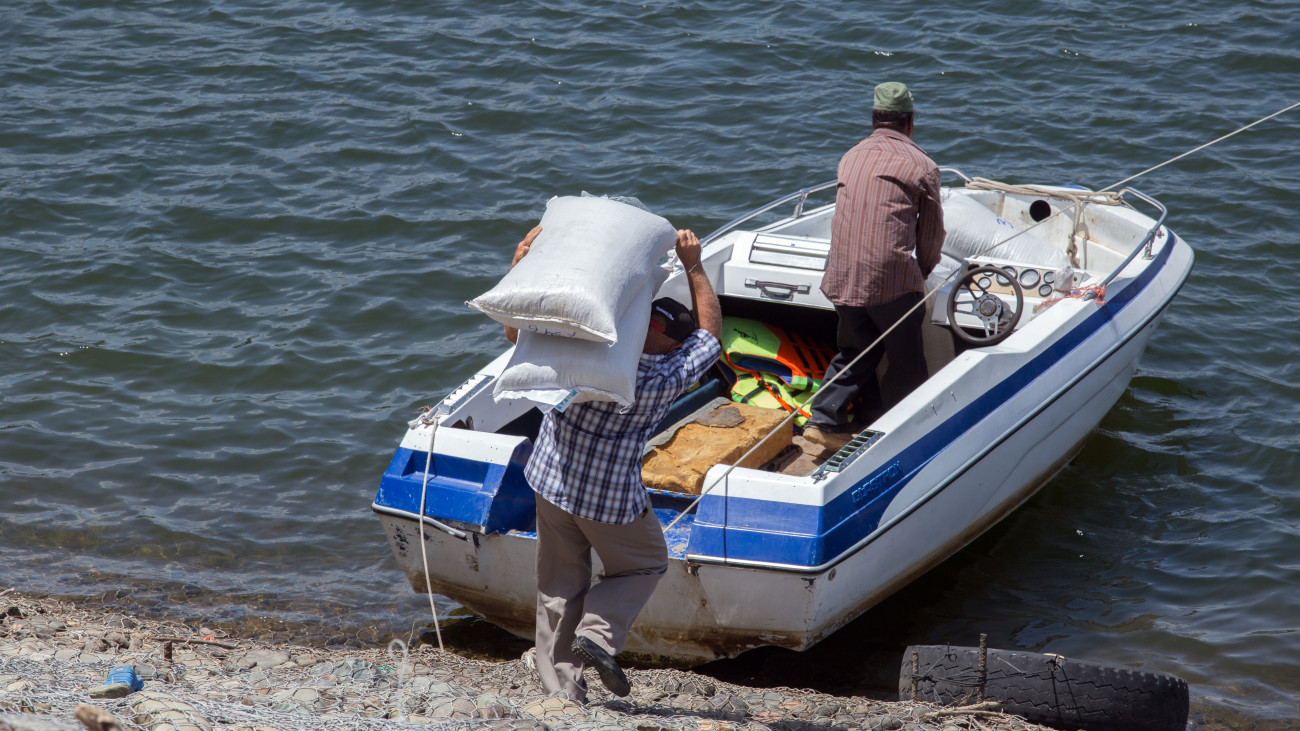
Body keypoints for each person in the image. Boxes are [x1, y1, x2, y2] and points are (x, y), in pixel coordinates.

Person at [505, 225, 722, 702]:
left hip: (551, 479)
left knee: (558, 587)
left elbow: (519, 336)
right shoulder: (666, 376)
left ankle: (562, 692)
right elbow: (710, 335)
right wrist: (694, 265)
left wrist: (522, 262)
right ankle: (598, 635)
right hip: (609, 499)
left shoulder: (588, 348)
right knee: (644, 565)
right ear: (672, 344)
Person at [802, 81, 946, 448]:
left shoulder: (851, 156)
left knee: (856, 351)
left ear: (874, 120)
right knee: (906, 362)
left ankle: (824, 420)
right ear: (910, 122)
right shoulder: (923, 166)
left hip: (841, 278)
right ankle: (904, 435)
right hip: (890, 283)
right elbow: (931, 237)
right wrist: (920, 275)